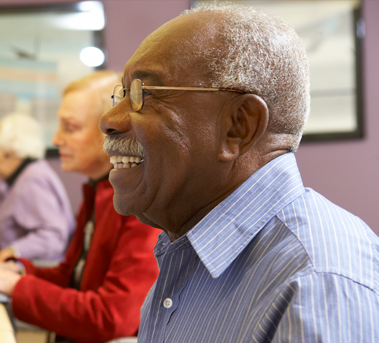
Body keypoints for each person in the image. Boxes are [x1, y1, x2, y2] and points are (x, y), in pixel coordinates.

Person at [99, 3, 379, 342]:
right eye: (123, 94)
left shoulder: (313, 283)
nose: (109, 120)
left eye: (144, 96)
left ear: (238, 126)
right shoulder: (192, 248)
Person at [0, 71, 161, 343]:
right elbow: (71, 277)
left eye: (69, 128)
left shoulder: (141, 206)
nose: (56, 139)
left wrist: (15, 285)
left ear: (114, 129)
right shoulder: (98, 190)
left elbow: (113, 317)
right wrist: (19, 271)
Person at [0, 113, 75, 262]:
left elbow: (53, 237)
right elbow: (10, 229)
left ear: (8, 150)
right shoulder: (22, 178)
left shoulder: (33, 179)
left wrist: (11, 252)